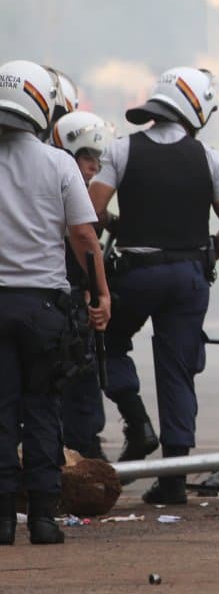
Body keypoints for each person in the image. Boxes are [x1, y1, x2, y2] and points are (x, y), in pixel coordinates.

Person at [87, 67, 219, 505]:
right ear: (196, 107)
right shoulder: (209, 157)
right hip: (189, 278)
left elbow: (92, 211)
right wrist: (203, 256)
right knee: (177, 370)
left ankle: (137, 423)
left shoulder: (121, 150)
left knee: (106, 342)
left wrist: (120, 226)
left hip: (137, 273)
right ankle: (174, 478)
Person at [0, 60, 109, 545]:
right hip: (45, 308)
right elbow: (85, 236)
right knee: (43, 409)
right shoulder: (59, 163)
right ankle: (43, 519)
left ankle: (3, 521)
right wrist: (99, 292)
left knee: (0, 411)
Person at [49, 111, 116, 462]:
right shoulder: (63, 184)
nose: (93, 167)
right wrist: (99, 292)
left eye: (97, 159)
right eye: (88, 157)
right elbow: (83, 237)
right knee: (77, 393)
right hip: (65, 305)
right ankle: (83, 462)